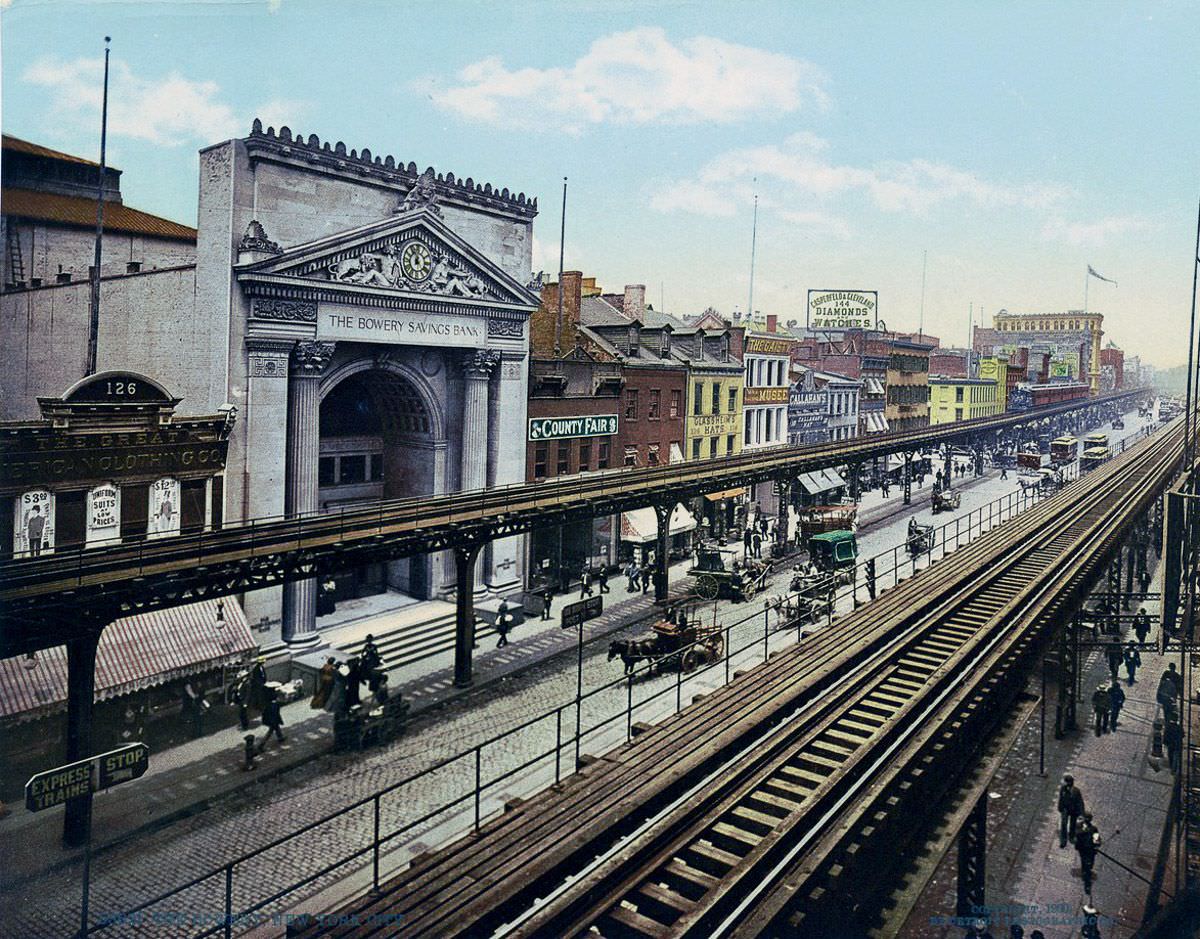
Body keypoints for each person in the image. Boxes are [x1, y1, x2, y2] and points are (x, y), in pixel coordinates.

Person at [1075, 812, 1100, 893]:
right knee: (1086, 862)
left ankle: (1086, 870)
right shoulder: (1079, 828)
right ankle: (1086, 877)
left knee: (1090, 862)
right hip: (1084, 850)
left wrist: (1097, 844)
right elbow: (1077, 836)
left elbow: (1096, 838)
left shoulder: (1093, 828)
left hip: (1090, 850)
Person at [1058, 774, 1085, 848]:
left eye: (1066, 782)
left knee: (1073, 824)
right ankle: (1063, 840)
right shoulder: (1063, 789)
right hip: (1065, 809)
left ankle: (1072, 836)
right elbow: (1061, 798)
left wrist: (1081, 813)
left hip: (1073, 810)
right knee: (1064, 824)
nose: (1064, 783)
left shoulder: (1076, 791)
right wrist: (1060, 807)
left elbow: (1080, 802)